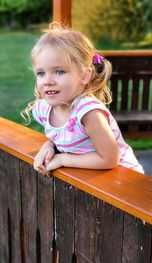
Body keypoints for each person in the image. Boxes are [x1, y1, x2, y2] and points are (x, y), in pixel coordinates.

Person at [22, 23, 144, 175]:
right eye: (41, 73)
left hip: (123, 182)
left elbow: (110, 159)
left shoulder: (89, 113)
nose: (48, 81)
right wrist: (49, 145)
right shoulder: (44, 109)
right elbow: (64, 138)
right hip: (93, 181)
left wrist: (62, 159)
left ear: (84, 75)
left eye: (59, 72)